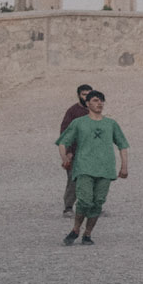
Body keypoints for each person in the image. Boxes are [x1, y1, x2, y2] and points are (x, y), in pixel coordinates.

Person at [57, 90, 129, 246]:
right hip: (84, 167)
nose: (99, 103)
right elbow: (63, 141)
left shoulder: (111, 124)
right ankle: (76, 229)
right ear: (88, 103)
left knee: (98, 202)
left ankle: (87, 234)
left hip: (105, 169)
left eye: (102, 101)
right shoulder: (79, 123)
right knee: (84, 200)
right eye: (96, 100)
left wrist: (124, 166)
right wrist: (64, 158)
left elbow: (122, 145)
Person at [58, 84, 92, 216]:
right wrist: (68, 152)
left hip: (90, 152)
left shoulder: (94, 109)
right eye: (84, 94)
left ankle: (91, 207)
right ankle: (68, 207)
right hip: (74, 152)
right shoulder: (72, 111)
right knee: (73, 179)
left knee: (92, 179)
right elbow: (65, 132)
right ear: (79, 95)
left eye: (89, 93)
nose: (87, 96)